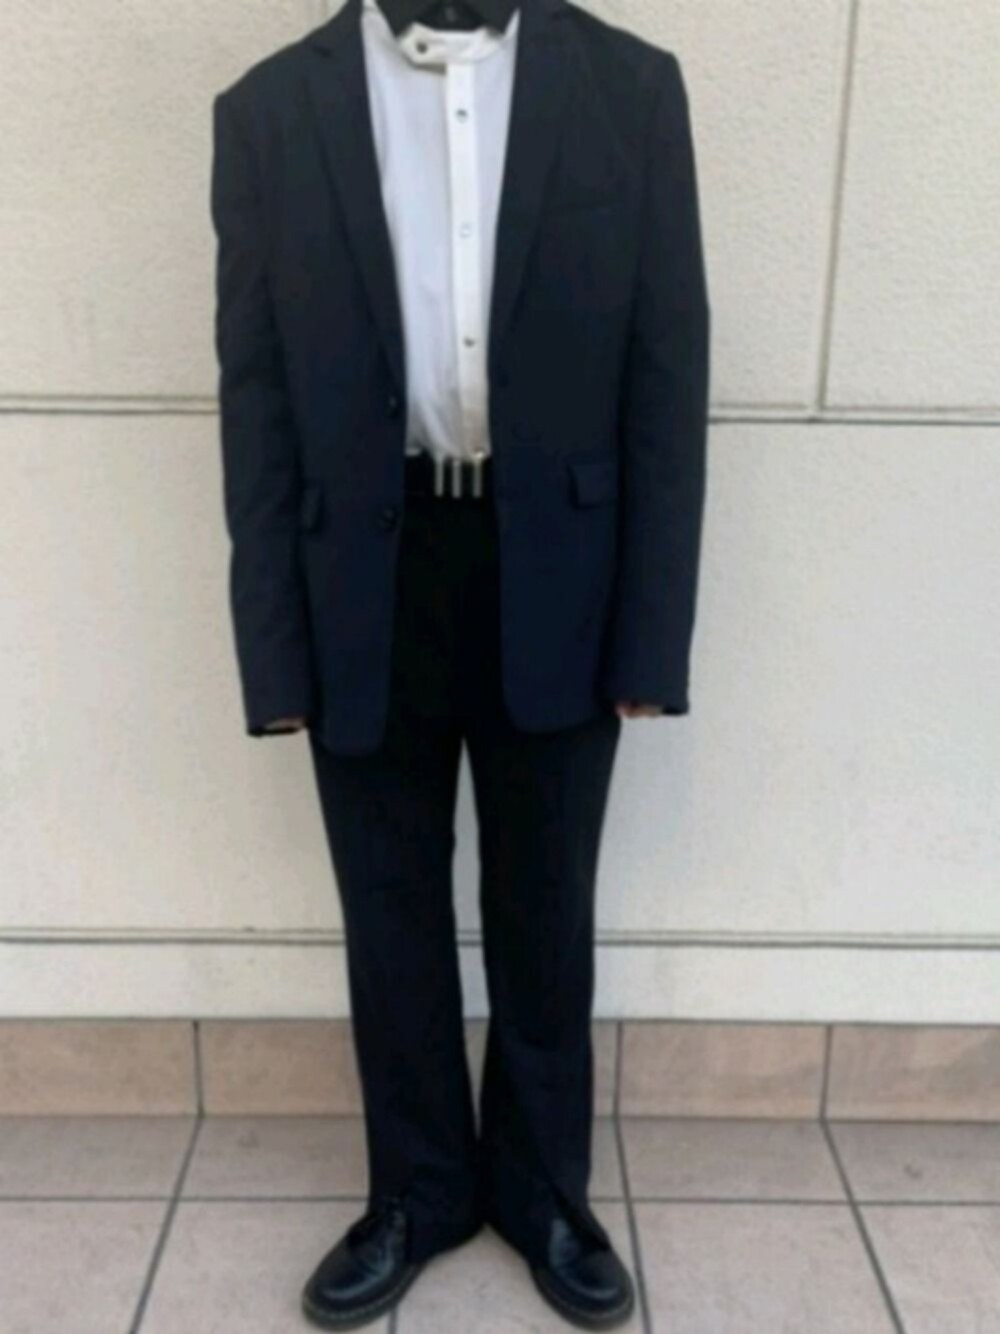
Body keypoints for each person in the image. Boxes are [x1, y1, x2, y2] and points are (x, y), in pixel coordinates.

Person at [209, 0, 709, 1326]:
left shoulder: (633, 93)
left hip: (562, 570)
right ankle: (417, 1189)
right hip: (364, 575)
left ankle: (542, 1191)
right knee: (387, 911)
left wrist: (652, 633)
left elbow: (669, 379)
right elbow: (254, 402)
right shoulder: (267, 114)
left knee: (547, 904)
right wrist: (273, 650)